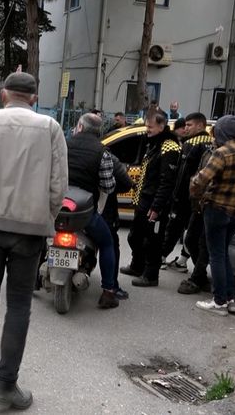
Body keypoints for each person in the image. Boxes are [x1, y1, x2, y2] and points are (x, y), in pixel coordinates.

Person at [0, 72, 68, 410]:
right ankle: (6, 384)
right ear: (34, 98)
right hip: (29, 229)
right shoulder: (50, 128)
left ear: (4, 94)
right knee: (19, 305)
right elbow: (58, 185)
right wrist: (45, 216)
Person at [190, 115, 235, 316]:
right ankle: (231, 299)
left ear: (221, 132)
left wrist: (197, 195)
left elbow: (201, 180)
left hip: (216, 209)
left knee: (216, 255)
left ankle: (219, 301)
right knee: (223, 254)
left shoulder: (221, 153)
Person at [121, 108, 181, 287]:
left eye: (151, 127)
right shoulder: (153, 143)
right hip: (144, 200)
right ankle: (137, 265)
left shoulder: (169, 147)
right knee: (135, 237)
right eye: (147, 126)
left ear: (162, 126)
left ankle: (151, 275)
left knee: (152, 242)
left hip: (155, 204)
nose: (147, 130)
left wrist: (156, 208)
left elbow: (166, 183)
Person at [66, 113, 120, 309]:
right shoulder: (102, 152)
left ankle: (35, 280)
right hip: (84, 213)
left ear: (79, 126)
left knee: (39, 236)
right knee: (107, 242)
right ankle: (108, 292)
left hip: (57, 209)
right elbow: (107, 186)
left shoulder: (63, 145)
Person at [163, 113, 212, 273]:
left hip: (185, 195)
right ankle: (183, 261)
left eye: (189, 125)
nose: (185, 128)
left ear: (200, 126)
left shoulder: (191, 144)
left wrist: (175, 196)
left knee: (175, 227)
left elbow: (182, 175)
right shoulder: (212, 144)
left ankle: (161, 258)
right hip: (201, 198)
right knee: (192, 232)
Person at [102, 155, 133, 300]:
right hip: (100, 212)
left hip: (67, 207)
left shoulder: (68, 148)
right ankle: (111, 287)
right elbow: (126, 184)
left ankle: (36, 281)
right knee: (110, 244)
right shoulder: (107, 157)